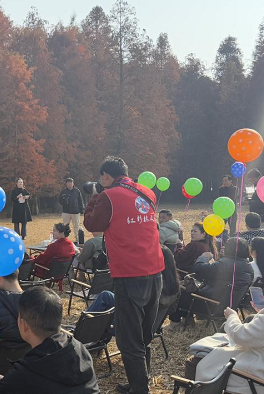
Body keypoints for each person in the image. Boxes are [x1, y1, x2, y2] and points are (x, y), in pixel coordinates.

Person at [83, 156, 164, 394]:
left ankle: (139, 389)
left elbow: (92, 224)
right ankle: (140, 382)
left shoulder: (109, 196)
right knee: (144, 333)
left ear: (106, 176)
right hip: (155, 269)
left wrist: (95, 196)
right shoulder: (147, 192)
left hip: (130, 273)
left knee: (129, 337)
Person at [0, 286, 99, 394]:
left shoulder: (27, 371)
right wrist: (8, 384)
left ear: (24, 325)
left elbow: (31, 379)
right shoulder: (79, 349)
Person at [168, 238, 253, 325]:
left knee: (182, 290)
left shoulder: (225, 264)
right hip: (228, 306)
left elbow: (198, 269)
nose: (224, 247)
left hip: (210, 305)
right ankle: (188, 321)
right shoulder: (249, 267)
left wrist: (203, 257)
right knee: (190, 288)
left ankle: (175, 322)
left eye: (226, 245)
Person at [193, 305, 264, 394]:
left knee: (195, 362)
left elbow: (240, 335)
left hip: (252, 378)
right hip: (255, 371)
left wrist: (232, 316)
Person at [59, 177, 85, 243]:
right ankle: (64, 239)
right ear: (66, 184)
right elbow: (60, 201)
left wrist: (81, 209)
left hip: (75, 212)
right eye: (68, 182)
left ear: (73, 183)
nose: (69, 184)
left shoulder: (77, 191)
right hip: (66, 212)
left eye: (71, 182)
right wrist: (64, 201)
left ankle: (77, 239)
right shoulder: (63, 192)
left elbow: (80, 200)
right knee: (65, 226)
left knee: (76, 226)